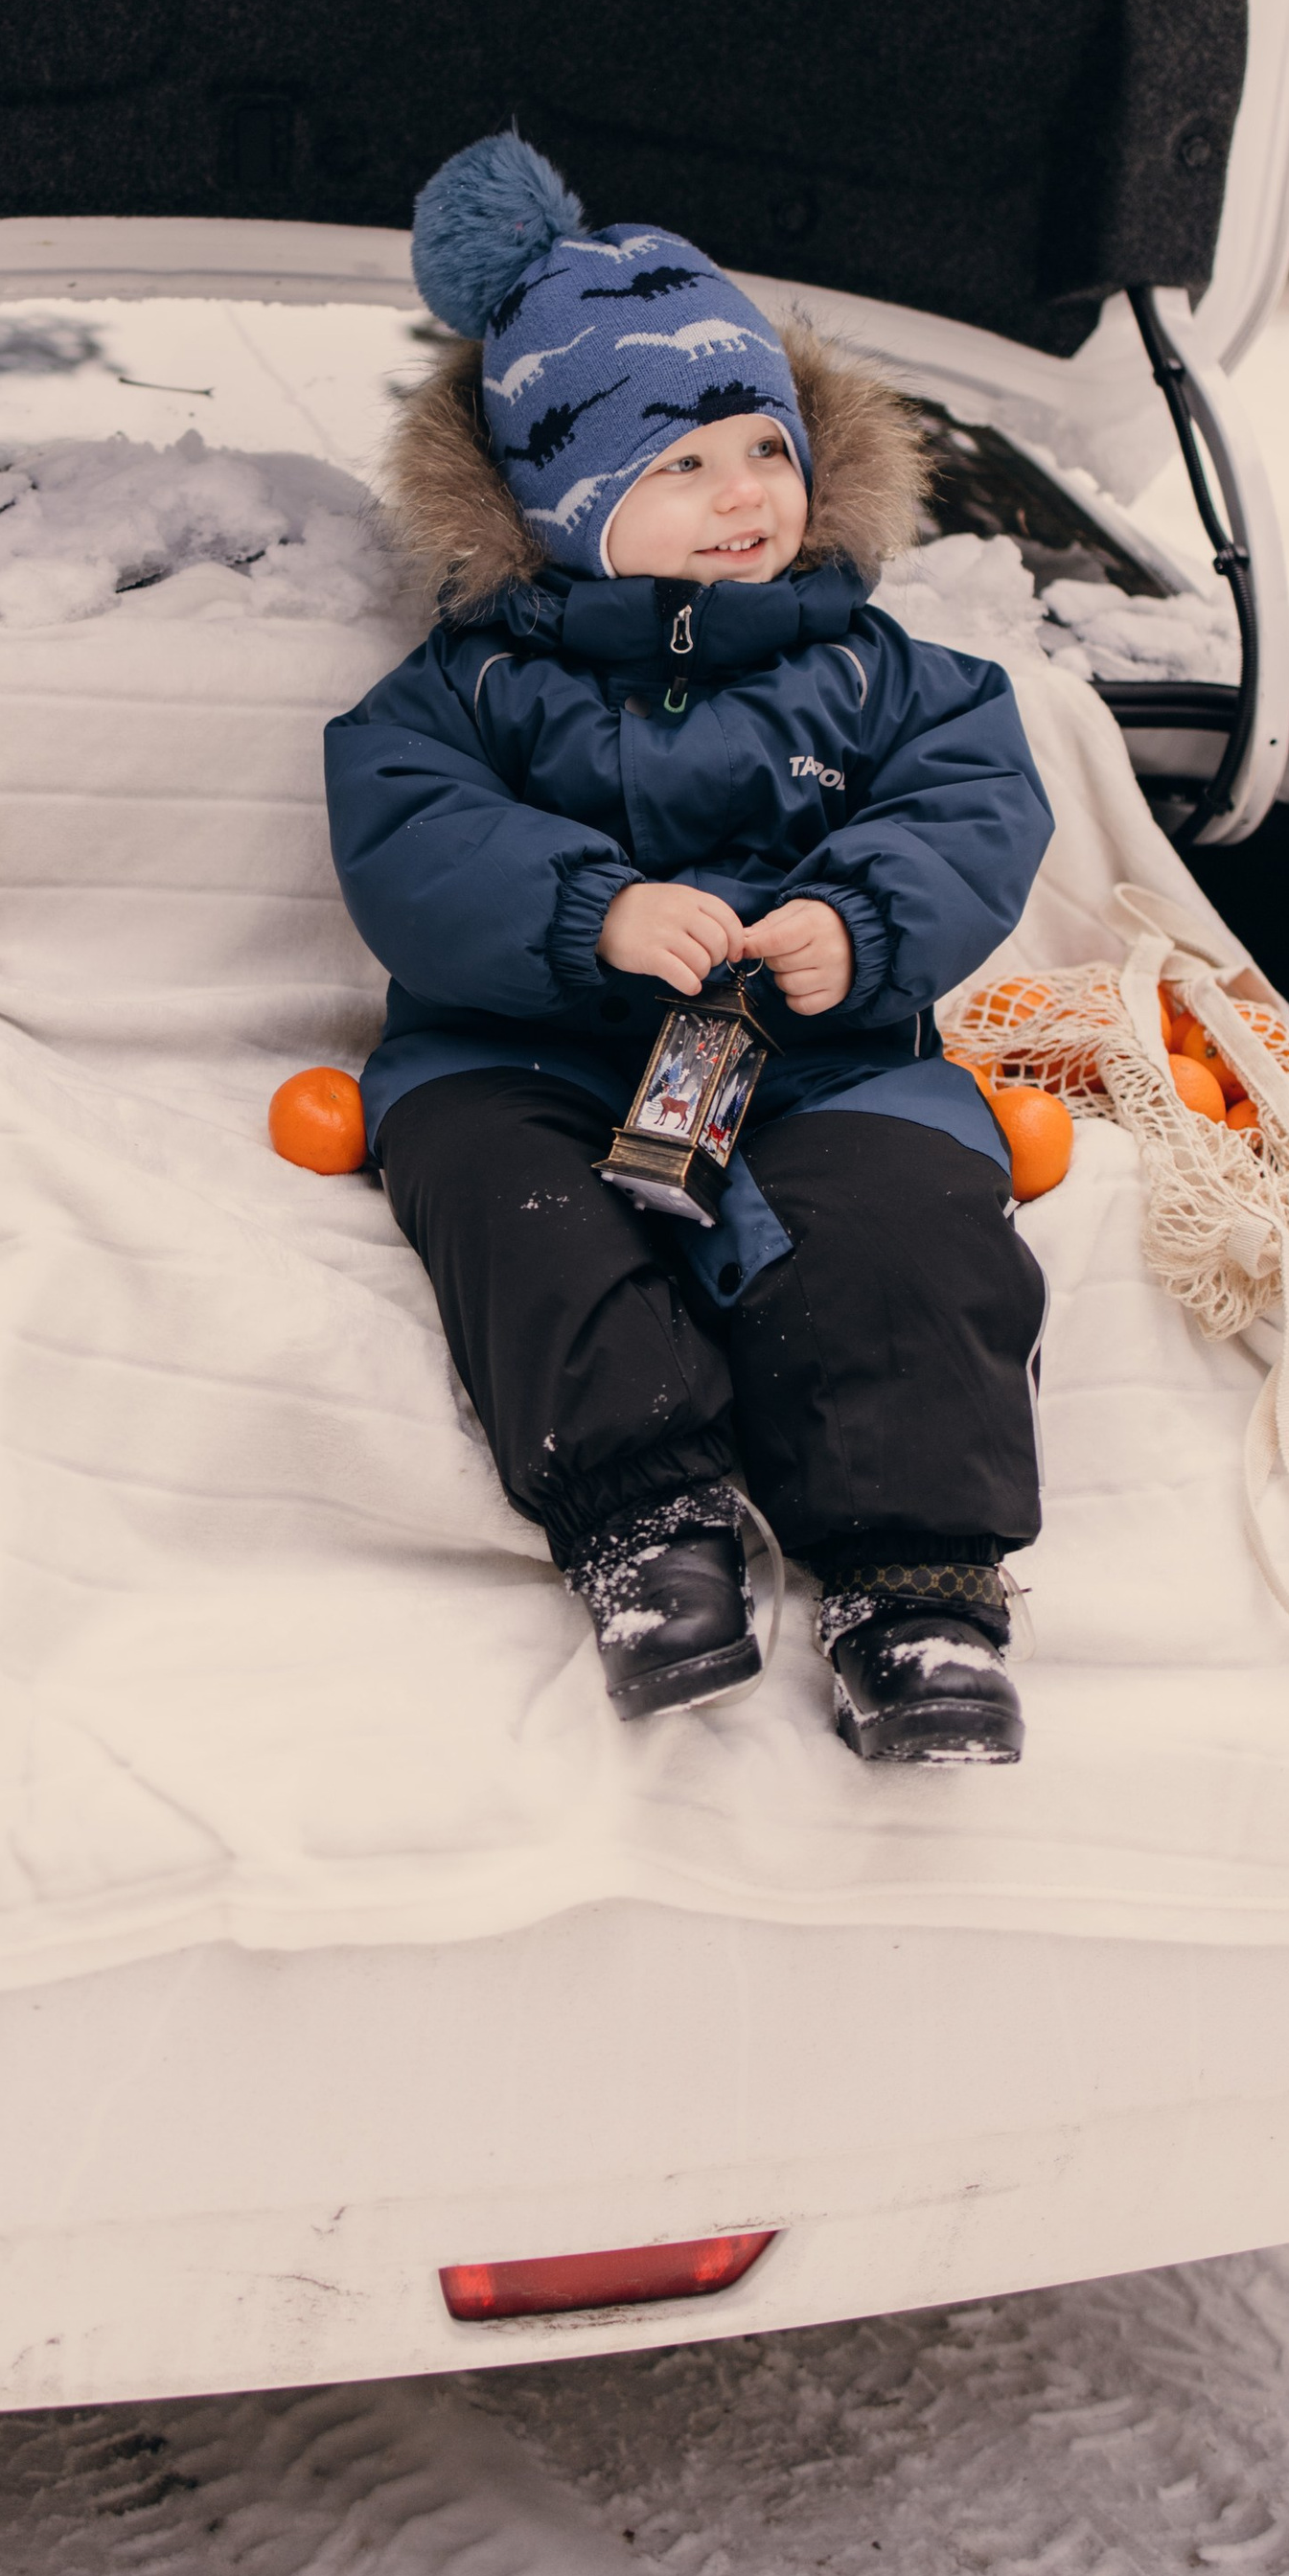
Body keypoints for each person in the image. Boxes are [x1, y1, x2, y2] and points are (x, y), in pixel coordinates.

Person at [323, 133, 1055, 1766]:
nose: (745, 495)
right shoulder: (472, 687)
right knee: (514, 1208)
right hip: (528, 1055)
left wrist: (857, 920)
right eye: (683, 467)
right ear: (561, 502)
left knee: (914, 1225)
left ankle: (916, 1582)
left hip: (826, 1055)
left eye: (762, 449)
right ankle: (652, 1529)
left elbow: (974, 802)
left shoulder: (877, 671)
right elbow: (411, 839)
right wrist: (591, 913)